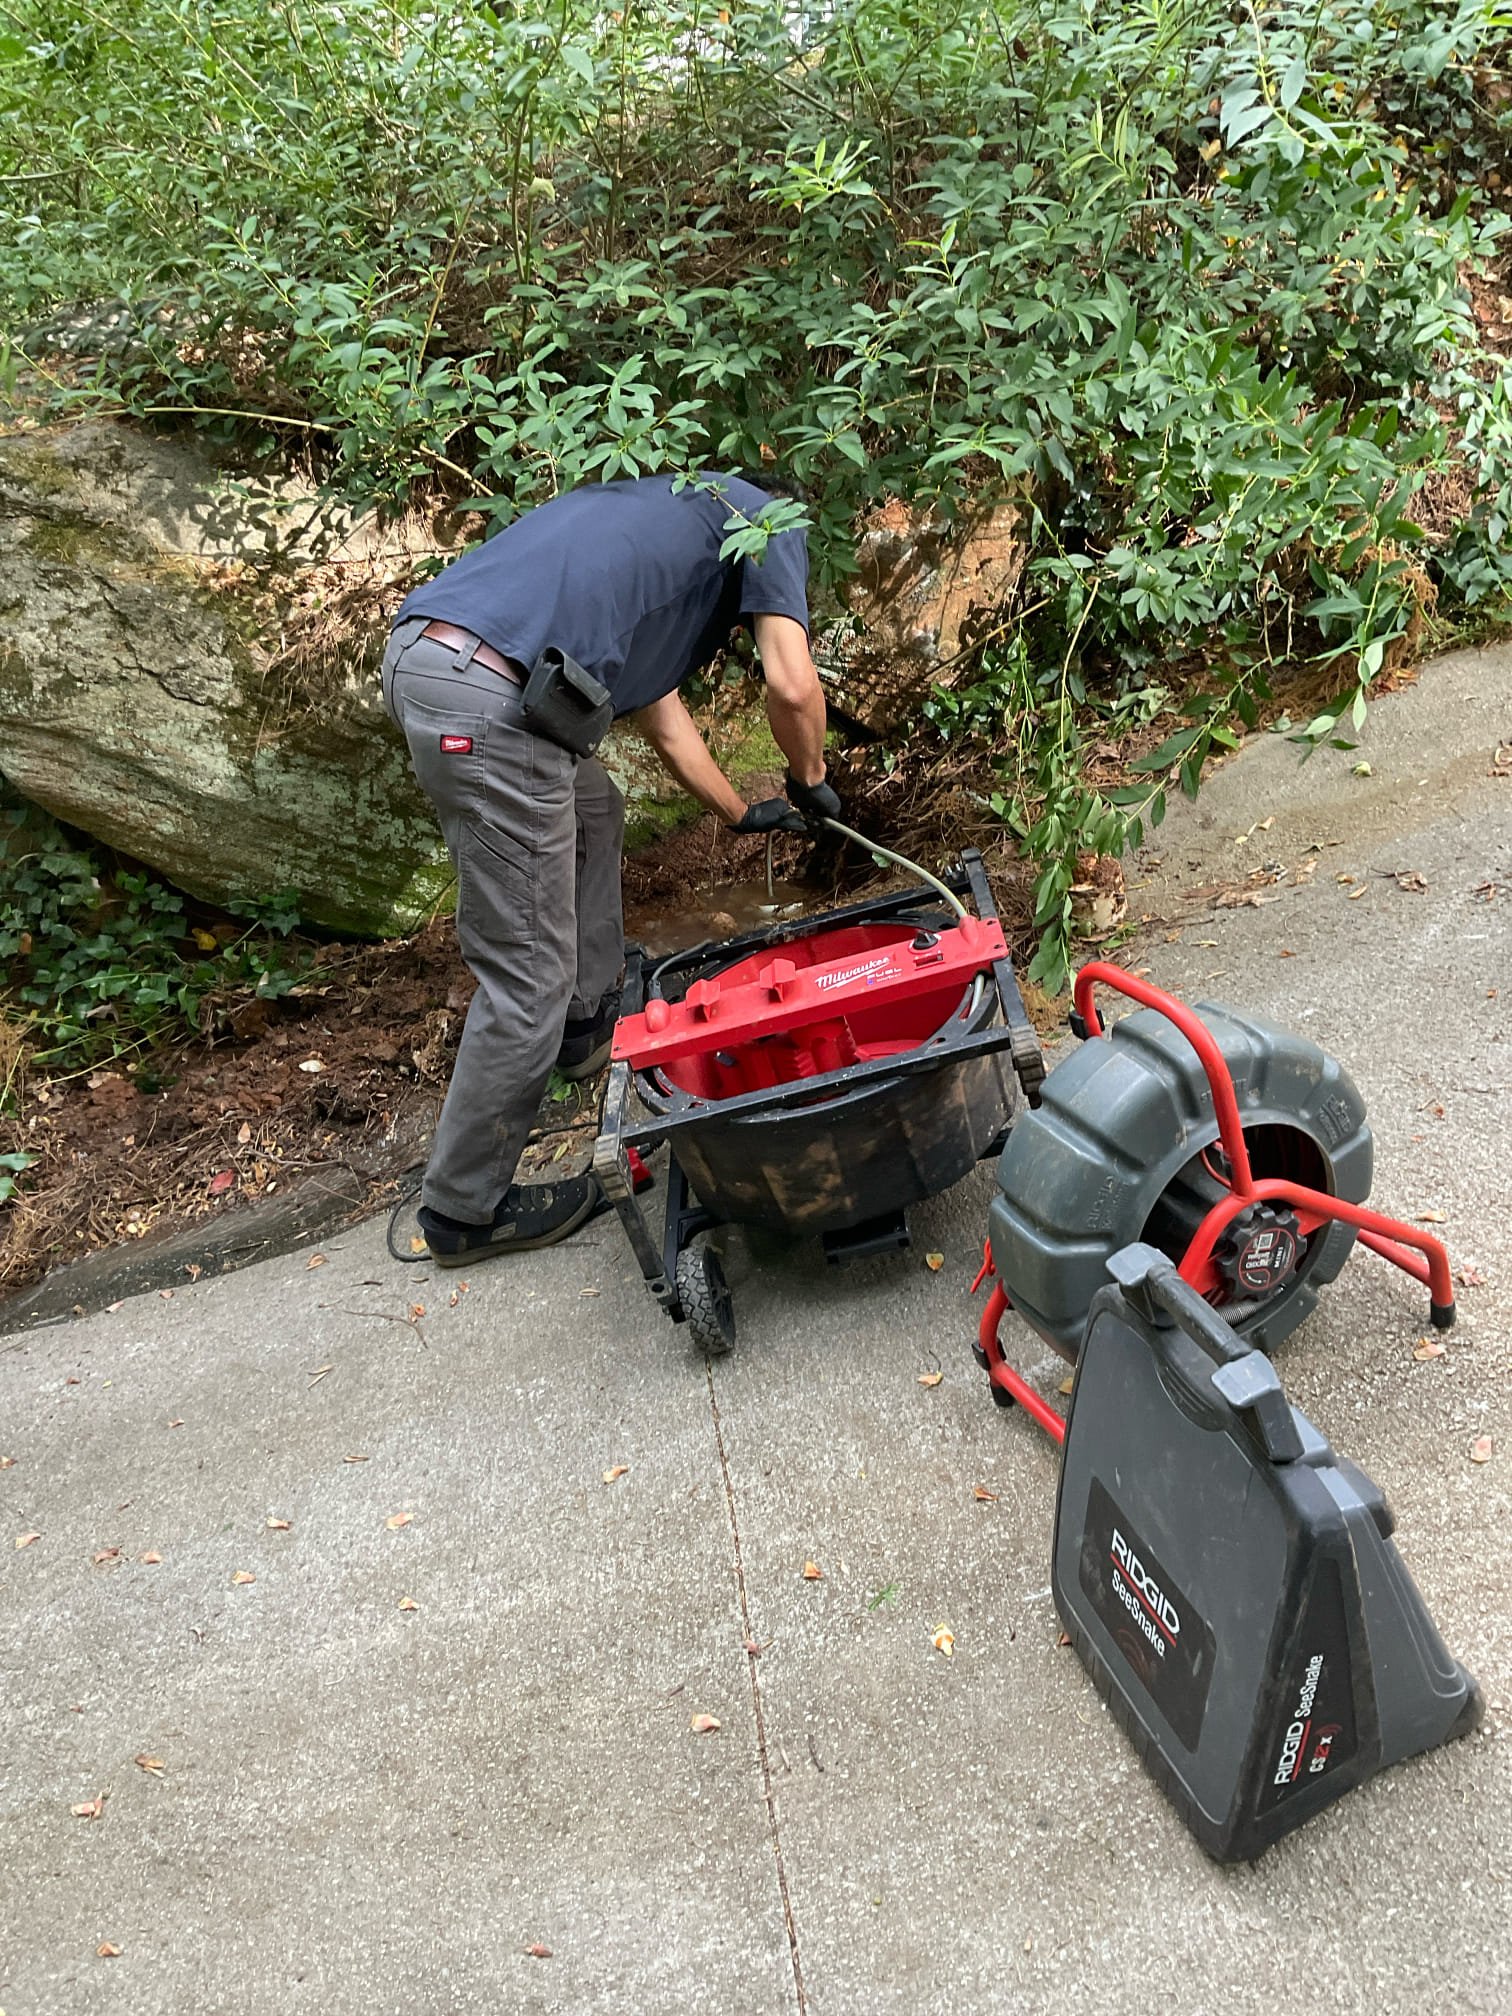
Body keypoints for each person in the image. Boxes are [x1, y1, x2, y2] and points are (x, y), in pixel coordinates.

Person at [380, 470, 841, 1266]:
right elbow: (793, 685)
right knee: (528, 970)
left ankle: (583, 1025)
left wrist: (738, 813)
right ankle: (463, 1208)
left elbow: (664, 721)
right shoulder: (766, 519)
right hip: (491, 704)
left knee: (594, 807)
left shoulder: (669, 512)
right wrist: (810, 778)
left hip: (430, 656)